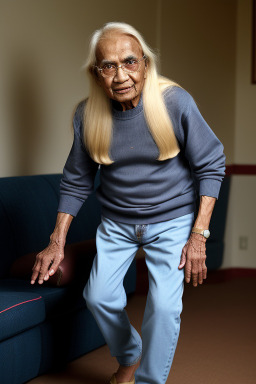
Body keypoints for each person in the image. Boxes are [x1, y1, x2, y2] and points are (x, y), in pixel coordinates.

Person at [30, 22, 226, 384]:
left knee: (165, 307)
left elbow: (211, 165)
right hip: (117, 223)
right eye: (108, 66)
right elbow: (76, 180)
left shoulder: (174, 102)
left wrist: (198, 235)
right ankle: (130, 354)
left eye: (129, 62)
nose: (120, 75)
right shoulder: (87, 115)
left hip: (172, 220)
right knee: (98, 297)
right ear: (97, 73)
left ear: (145, 66)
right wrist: (56, 241)